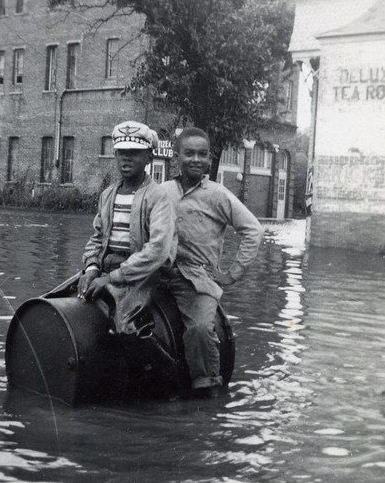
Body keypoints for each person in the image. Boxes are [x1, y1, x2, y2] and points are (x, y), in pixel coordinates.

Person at [161, 127, 264, 398]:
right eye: (189, 153)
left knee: (200, 329)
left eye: (202, 154)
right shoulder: (162, 192)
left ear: (209, 159)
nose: (196, 159)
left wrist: (232, 274)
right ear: (176, 156)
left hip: (198, 277)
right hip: (158, 271)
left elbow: (253, 229)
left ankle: (207, 388)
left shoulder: (218, 195)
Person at [77, 121, 176, 335]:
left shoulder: (158, 197)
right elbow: (97, 238)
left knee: (126, 328)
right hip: (106, 267)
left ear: (149, 157)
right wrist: (92, 268)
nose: (126, 158)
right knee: (62, 300)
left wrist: (111, 278)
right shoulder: (108, 195)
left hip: (141, 275)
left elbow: (157, 250)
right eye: (121, 152)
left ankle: (154, 366)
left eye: (134, 152)